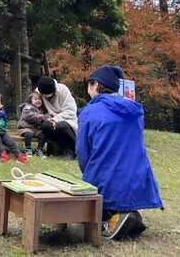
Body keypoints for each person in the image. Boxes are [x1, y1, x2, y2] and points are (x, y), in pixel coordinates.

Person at [76, 65, 163, 240]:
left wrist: (88, 175)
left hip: (106, 180)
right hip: (139, 180)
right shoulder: (135, 111)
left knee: (89, 216)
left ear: (96, 86)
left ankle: (115, 218)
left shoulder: (89, 112)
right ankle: (128, 214)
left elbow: (83, 152)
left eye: (89, 85)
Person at [35, 76, 78, 158]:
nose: (48, 99)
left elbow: (71, 111)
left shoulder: (63, 90)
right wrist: (46, 118)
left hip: (66, 119)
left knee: (62, 126)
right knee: (45, 126)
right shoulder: (38, 92)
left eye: (50, 96)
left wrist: (55, 119)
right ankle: (56, 148)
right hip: (49, 120)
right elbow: (36, 109)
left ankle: (74, 149)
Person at [18, 91, 50, 157]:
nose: (38, 101)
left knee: (43, 135)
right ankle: (28, 149)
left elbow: (46, 116)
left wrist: (47, 117)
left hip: (36, 129)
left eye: (39, 99)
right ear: (30, 101)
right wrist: (39, 116)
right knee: (29, 134)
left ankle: (39, 150)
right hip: (25, 128)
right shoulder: (27, 107)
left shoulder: (41, 109)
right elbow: (29, 117)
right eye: (35, 99)